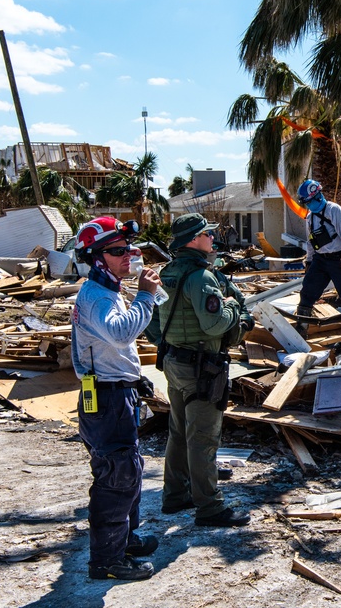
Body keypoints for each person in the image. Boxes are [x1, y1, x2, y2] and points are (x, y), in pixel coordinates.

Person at [71, 217, 161, 581]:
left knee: (128, 470)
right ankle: (107, 560)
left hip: (115, 394)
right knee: (116, 475)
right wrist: (145, 296)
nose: (128, 256)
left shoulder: (107, 292)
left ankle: (123, 539)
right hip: (105, 398)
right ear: (97, 258)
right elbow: (121, 334)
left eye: (129, 249)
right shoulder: (96, 297)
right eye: (118, 251)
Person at [150, 213, 253, 527]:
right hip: (202, 368)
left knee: (179, 433)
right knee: (203, 438)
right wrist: (234, 308)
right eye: (207, 233)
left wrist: (176, 343)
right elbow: (215, 323)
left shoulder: (165, 273)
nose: (212, 238)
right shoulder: (201, 278)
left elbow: (153, 327)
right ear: (194, 240)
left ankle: (175, 494)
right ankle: (209, 507)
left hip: (173, 363)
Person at [296, 179, 341, 316]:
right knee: (307, 292)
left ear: (317, 197)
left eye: (309, 202)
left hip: (340, 259)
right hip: (320, 260)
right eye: (306, 203)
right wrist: (310, 260)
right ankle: (301, 326)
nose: (308, 206)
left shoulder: (334, 210)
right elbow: (310, 240)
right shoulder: (310, 217)